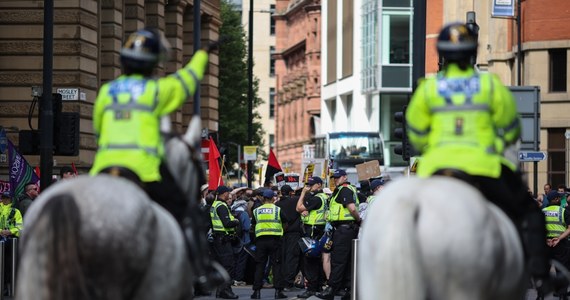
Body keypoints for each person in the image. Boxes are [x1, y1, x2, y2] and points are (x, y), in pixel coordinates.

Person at [406, 22, 561, 292]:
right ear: (472, 53)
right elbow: (512, 128)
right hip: (484, 168)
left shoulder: (428, 88)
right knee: (530, 212)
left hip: (438, 170)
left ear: (441, 54)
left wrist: (434, 147)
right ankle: (541, 276)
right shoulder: (488, 85)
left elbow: (416, 135)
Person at [88, 27, 223, 289]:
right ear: (153, 65)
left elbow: (97, 131)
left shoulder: (106, 91)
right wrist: (203, 54)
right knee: (187, 211)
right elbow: (188, 79)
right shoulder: (156, 91)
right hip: (144, 170)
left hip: (103, 169)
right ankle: (202, 271)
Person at [316, 169, 361, 300]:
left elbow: (352, 208)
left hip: (345, 229)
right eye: (334, 178)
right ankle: (347, 290)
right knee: (347, 261)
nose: (335, 179)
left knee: (338, 260)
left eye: (338, 177)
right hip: (345, 229)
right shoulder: (341, 190)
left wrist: (358, 220)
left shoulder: (345, 190)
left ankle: (331, 289)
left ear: (345, 177)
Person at [250, 189, 288, 299]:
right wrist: (281, 232)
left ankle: (256, 292)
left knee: (260, 265)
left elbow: (253, 226)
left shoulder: (257, 210)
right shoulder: (277, 209)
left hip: (261, 241)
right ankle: (278, 292)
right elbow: (285, 223)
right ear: (272, 198)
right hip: (275, 240)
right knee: (276, 265)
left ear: (263, 198)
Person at [297, 176, 328, 298]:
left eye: (312, 185)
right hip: (319, 230)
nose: (309, 187)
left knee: (310, 260)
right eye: (308, 185)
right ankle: (318, 286)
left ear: (319, 185)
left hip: (313, 231)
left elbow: (298, 208)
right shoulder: (324, 197)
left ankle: (311, 289)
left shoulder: (316, 199)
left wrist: (303, 193)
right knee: (317, 259)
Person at [210, 186, 240, 299]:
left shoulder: (215, 204)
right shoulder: (221, 206)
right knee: (228, 266)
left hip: (219, 239)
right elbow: (227, 223)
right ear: (224, 193)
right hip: (223, 240)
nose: (229, 194)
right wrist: (236, 221)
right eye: (228, 192)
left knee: (224, 266)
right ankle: (225, 291)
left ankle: (220, 291)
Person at [276, 184, 302, 291]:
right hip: (293, 233)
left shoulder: (277, 204)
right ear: (291, 192)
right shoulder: (295, 201)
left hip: (281, 234)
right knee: (292, 258)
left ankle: (281, 281)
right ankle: (288, 282)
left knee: (282, 258)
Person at [0, 191, 23, 295]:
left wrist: (10, 231)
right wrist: (1, 231)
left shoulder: (15, 211)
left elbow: (20, 227)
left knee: (9, 264)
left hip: (11, 241)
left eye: (7, 198)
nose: (5, 200)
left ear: (11, 199)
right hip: (0, 239)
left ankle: (8, 287)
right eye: (4, 198)